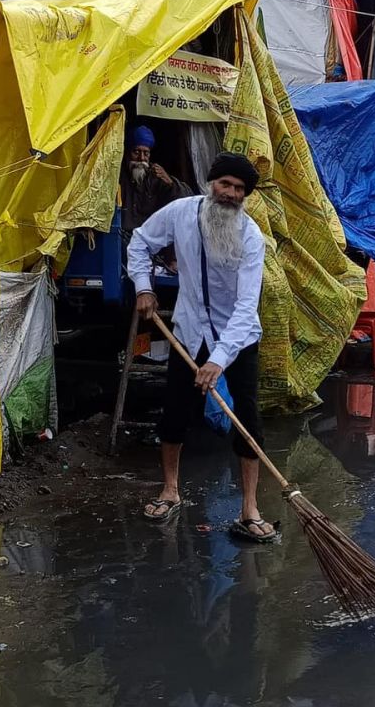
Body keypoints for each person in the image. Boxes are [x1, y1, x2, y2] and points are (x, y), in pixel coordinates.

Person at [127, 151, 278, 542]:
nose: (230, 193)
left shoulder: (251, 237)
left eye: (239, 189)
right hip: (190, 333)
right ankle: (170, 490)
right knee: (175, 413)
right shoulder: (180, 212)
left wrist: (218, 360)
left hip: (237, 340)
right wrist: (144, 287)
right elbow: (139, 243)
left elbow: (247, 307)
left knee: (247, 422)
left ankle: (249, 508)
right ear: (212, 184)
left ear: (245, 196)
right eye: (225, 184)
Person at [120, 125, 192, 231]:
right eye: (136, 152)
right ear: (127, 153)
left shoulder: (156, 176)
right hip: (120, 238)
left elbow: (187, 199)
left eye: (146, 153)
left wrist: (171, 183)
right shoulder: (118, 175)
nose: (141, 158)